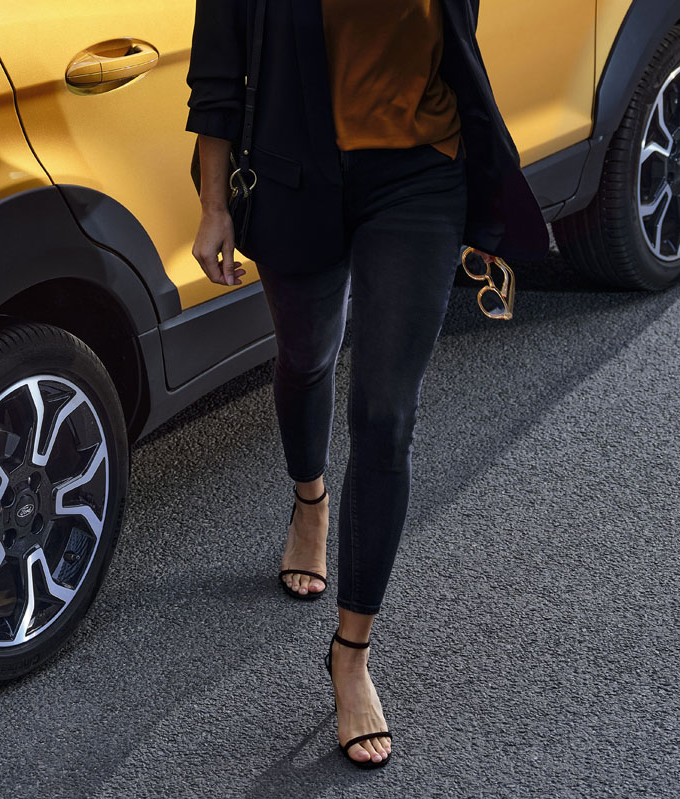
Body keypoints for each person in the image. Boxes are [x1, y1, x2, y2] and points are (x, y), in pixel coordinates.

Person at [186, 0, 548, 769]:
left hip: (419, 174)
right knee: (305, 358)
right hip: (293, 175)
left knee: (385, 417)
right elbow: (217, 68)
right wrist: (214, 204)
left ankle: (350, 654)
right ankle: (309, 498)